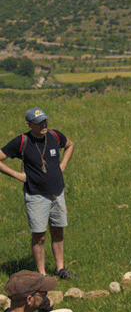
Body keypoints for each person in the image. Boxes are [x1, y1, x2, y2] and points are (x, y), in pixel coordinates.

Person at [0, 107, 76, 278]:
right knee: (39, 236)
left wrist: (62, 165)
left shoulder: (55, 136)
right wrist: (17, 175)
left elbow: (70, 145)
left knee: (57, 231)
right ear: (29, 124)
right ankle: (41, 275)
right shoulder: (22, 141)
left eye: (44, 120)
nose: (43, 124)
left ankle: (60, 269)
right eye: (38, 122)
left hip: (57, 193)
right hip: (36, 195)